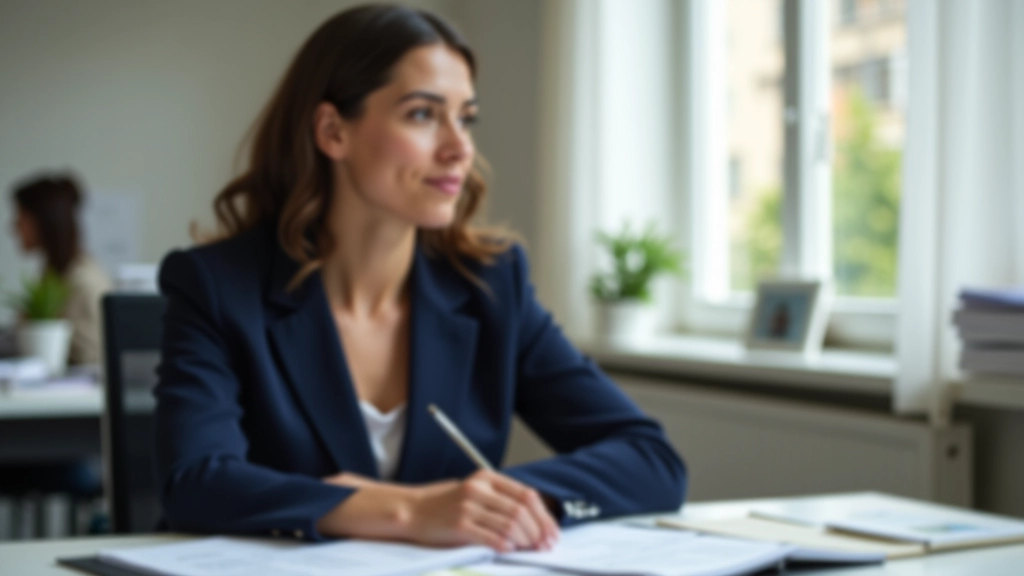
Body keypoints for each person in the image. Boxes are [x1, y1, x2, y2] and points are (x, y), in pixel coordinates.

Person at [155, 3, 686, 552]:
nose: (460, 148)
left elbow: (650, 459)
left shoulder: (489, 287)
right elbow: (196, 483)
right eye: (422, 115)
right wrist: (407, 510)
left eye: (466, 117)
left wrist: (482, 506)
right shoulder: (216, 287)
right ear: (333, 132)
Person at [11, 174, 113, 365]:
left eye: (21, 216)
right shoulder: (52, 277)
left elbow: (91, 357)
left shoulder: (85, 282)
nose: (14, 225)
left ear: (43, 220)